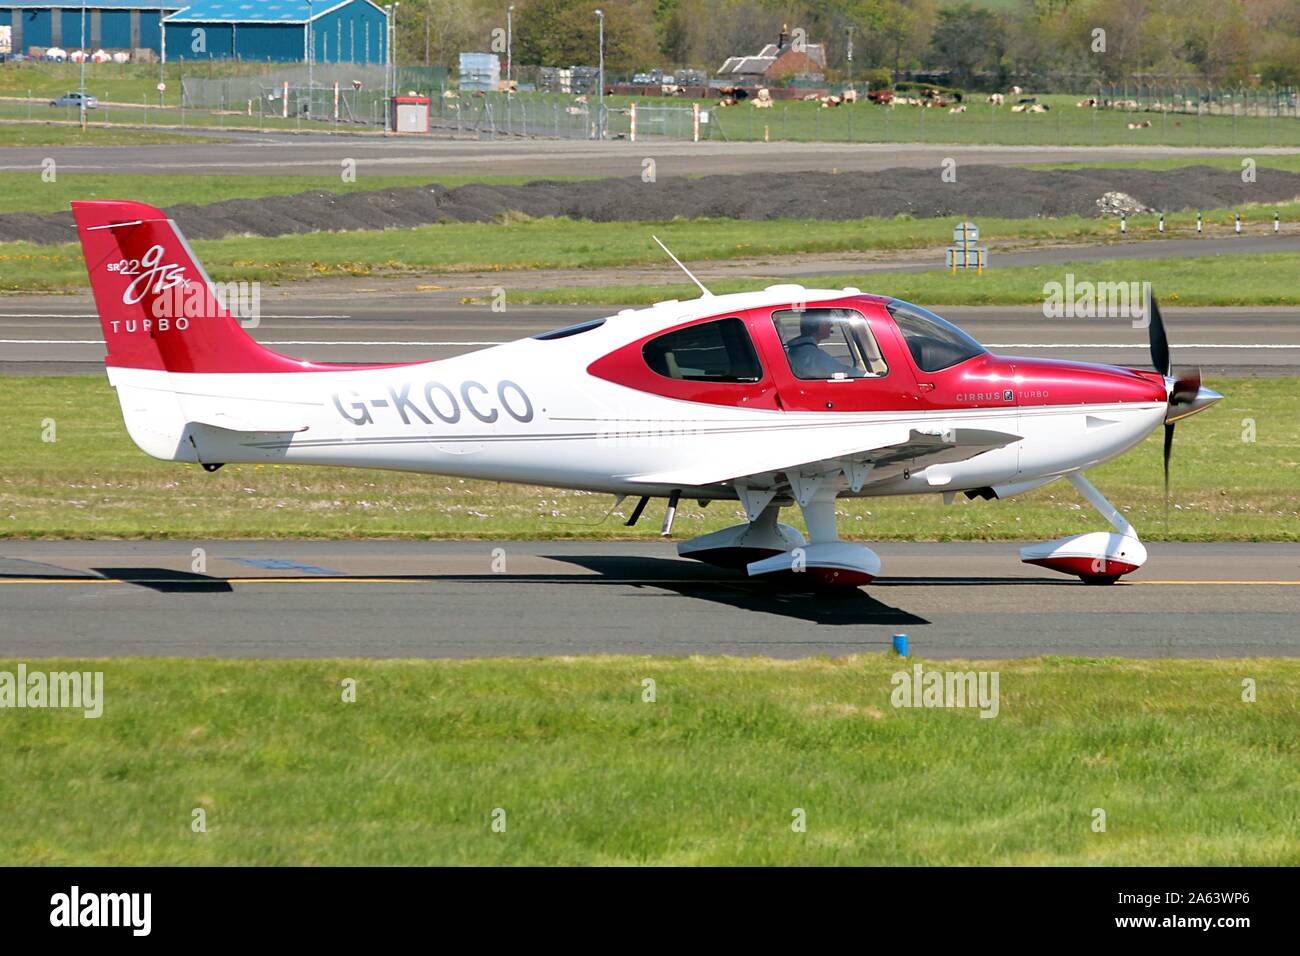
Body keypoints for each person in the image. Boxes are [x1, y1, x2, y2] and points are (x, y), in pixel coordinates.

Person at [784, 313, 861, 379]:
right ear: (815, 324)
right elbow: (843, 372)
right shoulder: (810, 355)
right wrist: (869, 376)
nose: (831, 324)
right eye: (827, 320)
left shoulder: (802, 350)